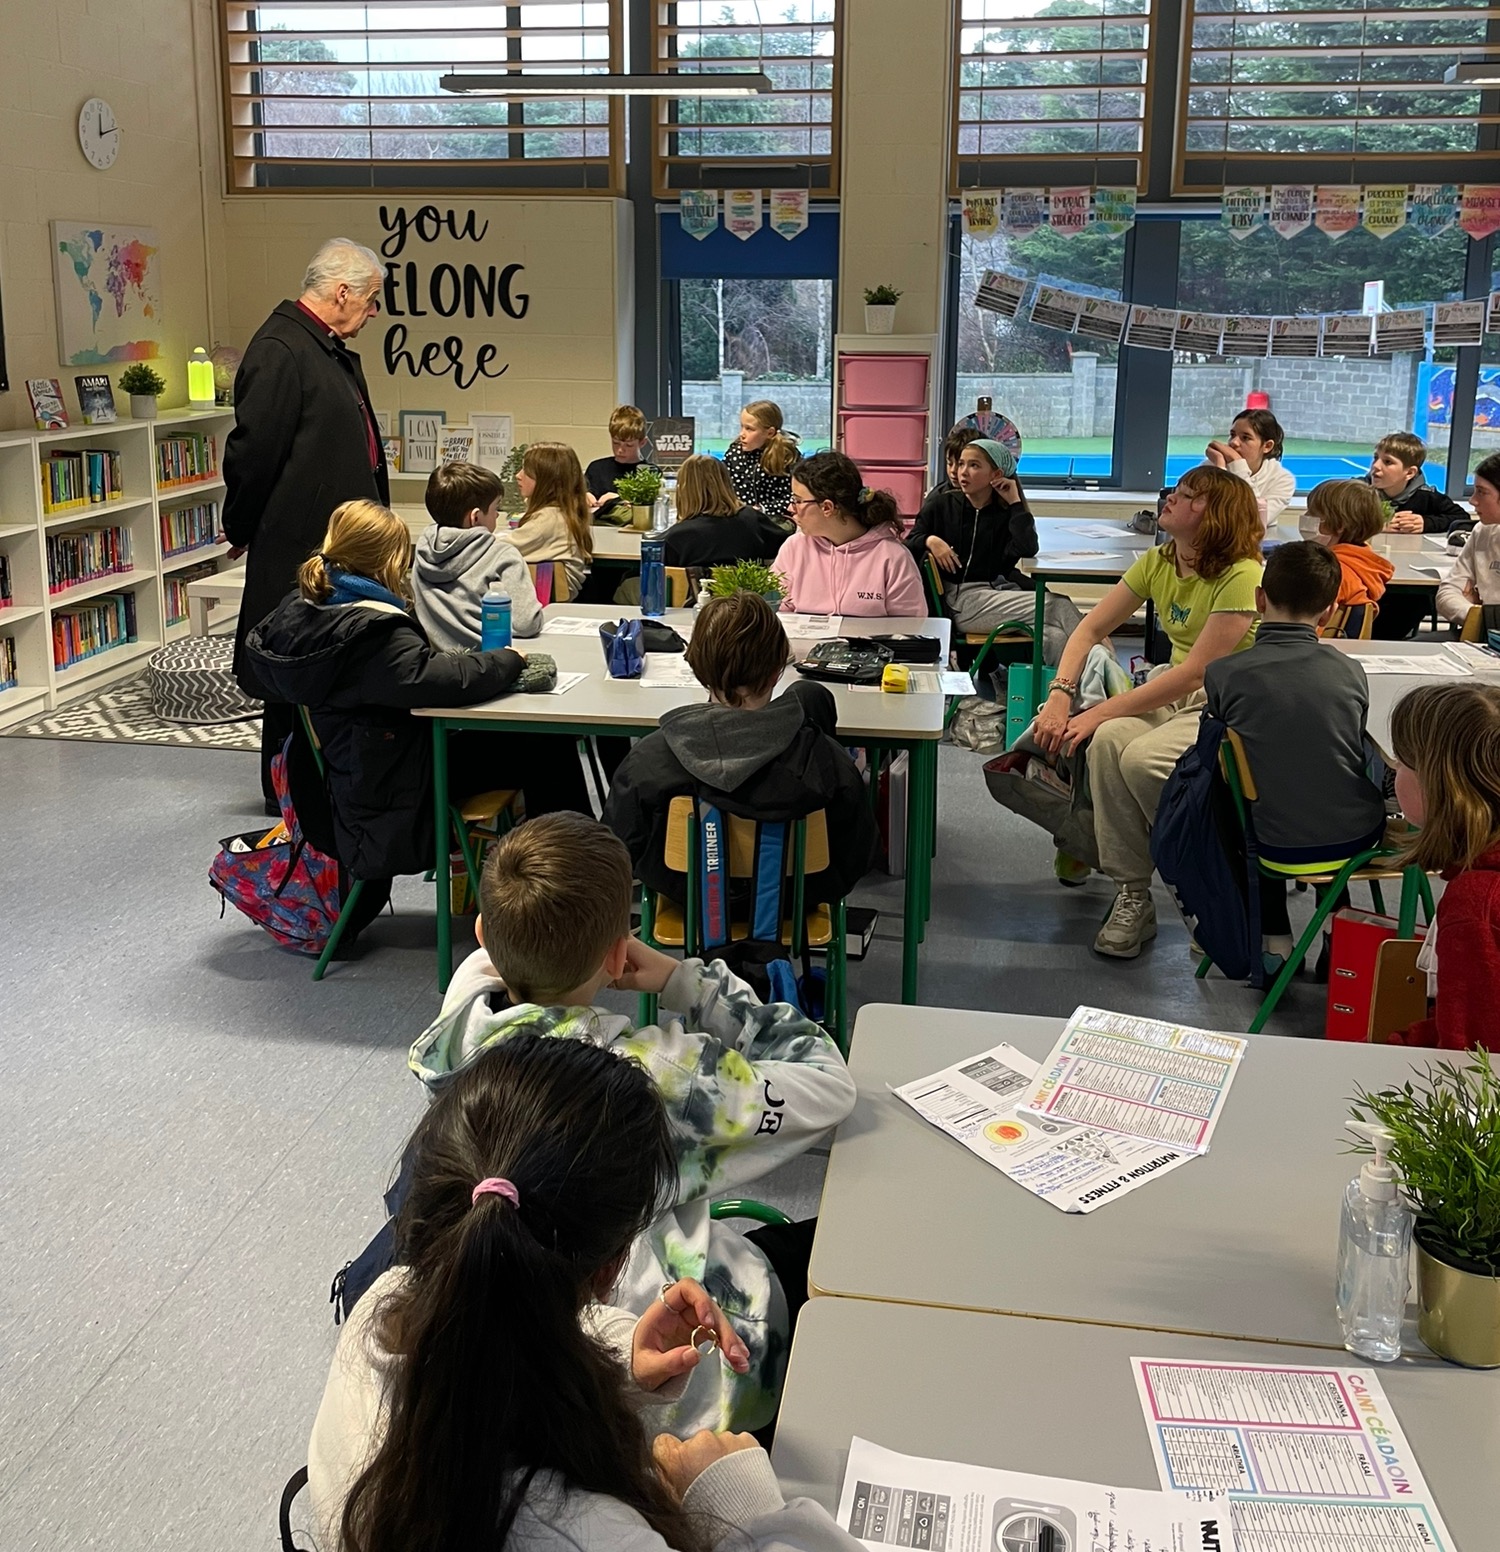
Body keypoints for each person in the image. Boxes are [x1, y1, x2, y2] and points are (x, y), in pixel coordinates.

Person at [309, 1032, 864, 1552]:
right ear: (614, 1265)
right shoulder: (596, 1535)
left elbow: (495, 1332)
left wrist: (621, 1362)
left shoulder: (379, 1316)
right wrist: (748, 1512)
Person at [408, 812, 856, 1437]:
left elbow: (495, 962)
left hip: (526, 1337)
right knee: (851, 1256)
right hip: (675, 1356)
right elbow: (831, 1085)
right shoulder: (656, 1079)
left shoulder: (462, 1022)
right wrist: (685, 982)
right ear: (619, 953)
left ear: (484, 934)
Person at [245, 500, 590, 890]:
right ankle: (576, 877)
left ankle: (566, 870)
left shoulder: (307, 607)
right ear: (388, 560)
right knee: (545, 745)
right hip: (395, 784)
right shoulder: (372, 632)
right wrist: (507, 661)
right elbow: (436, 679)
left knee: (534, 745)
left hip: (360, 768)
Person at [1034, 466, 1262, 958]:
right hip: (1171, 692)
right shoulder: (1160, 559)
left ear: (1214, 515)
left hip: (1225, 705)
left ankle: (1206, 883)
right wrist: (1060, 694)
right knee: (1105, 745)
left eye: (1185, 495)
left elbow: (1198, 673)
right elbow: (1087, 630)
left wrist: (1095, 711)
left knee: (1137, 758)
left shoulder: (1243, 575)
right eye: (1175, 492)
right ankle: (1134, 892)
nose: (1170, 500)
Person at [222, 237, 389, 811]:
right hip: (298, 544)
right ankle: (289, 797)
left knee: (325, 668)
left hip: (331, 544)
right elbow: (253, 452)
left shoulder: (323, 345)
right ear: (342, 293)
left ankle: (323, 784)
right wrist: (240, 525)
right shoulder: (280, 348)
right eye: (371, 302)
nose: (373, 314)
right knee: (291, 669)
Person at [603, 592, 877, 912]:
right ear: (778, 670)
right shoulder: (829, 763)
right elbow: (859, 855)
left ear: (697, 669)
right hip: (795, 900)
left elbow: (615, 853)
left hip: (689, 899)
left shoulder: (647, 762)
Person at [1203, 542, 1386, 965]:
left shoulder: (1222, 674)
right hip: (1357, 837)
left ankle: (1275, 941)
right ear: (1328, 612)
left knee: (1252, 804)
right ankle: (1336, 925)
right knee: (1333, 785)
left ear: (1259, 599)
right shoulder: (1350, 670)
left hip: (1271, 843)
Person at [1389, 683, 1500, 1052]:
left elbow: (1472, 1063)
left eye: (1403, 761)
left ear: (1439, 784)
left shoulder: (1476, 906)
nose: (1394, 771)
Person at [907, 438, 1081, 660]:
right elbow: (908, 544)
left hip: (995, 594)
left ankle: (1065, 692)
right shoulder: (941, 505)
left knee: (1055, 637)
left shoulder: (1003, 513)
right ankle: (1109, 675)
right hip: (960, 602)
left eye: (974, 465)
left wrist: (1015, 502)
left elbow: (1027, 548)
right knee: (1058, 605)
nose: (963, 472)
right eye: (961, 464)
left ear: (996, 475)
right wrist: (930, 540)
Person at [777, 450, 925, 617]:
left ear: (827, 507)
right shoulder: (793, 548)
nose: (791, 508)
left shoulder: (892, 557)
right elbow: (774, 611)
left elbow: (910, 627)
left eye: (797, 501)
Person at [411, 461, 542, 650]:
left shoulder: (423, 554)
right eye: (496, 507)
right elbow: (527, 623)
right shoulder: (503, 556)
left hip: (437, 666)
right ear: (475, 517)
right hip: (489, 664)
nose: (497, 515)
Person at [662, 455, 788, 570]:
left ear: (684, 489)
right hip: (749, 594)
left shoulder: (676, 536)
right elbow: (787, 548)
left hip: (694, 594)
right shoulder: (752, 519)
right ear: (726, 483)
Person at [1306, 478, 1392, 636]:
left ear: (1339, 526)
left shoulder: (1332, 572)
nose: (1306, 517)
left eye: (1313, 514)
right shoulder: (1362, 563)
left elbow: (1305, 628)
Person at [510, 441, 594, 598]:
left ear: (546, 482)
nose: (518, 476)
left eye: (526, 471)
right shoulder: (564, 510)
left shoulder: (547, 520)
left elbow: (499, 547)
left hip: (550, 598)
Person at [1204, 408, 1295, 530]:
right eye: (1232, 435)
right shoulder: (1212, 465)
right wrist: (1220, 468)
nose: (1234, 443)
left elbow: (1255, 521)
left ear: (1267, 446)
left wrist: (1238, 464)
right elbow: (1205, 516)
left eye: (1245, 438)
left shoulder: (1283, 480)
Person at [1437, 453, 1500, 628]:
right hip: (1480, 635)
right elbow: (1447, 593)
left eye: (1482, 492)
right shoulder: (1483, 531)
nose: (1472, 500)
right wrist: (1477, 615)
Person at [1369, 431, 1470, 536]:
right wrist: (1376, 525)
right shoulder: (1358, 490)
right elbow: (1349, 518)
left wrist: (1427, 523)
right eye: (1376, 458)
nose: (1375, 465)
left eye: (1388, 462)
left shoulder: (1427, 496)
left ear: (1409, 473)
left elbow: (1462, 518)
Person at [723, 400, 799, 517]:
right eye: (742, 427)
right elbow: (725, 487)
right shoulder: (735, 453)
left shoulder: (786, 457)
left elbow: (793, 498)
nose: (742, 434)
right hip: (739, 516)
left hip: (774, 519)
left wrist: (761, 509)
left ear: (770, 433)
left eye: (749, 429)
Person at [585, 404, 662, 513]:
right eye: (616, 443)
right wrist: (583, 497)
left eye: (629, 445)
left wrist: (618, 500)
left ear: (642, 443)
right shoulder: (596, 469)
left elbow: (651, 510)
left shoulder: (650, 473)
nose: (620, 450)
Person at [922, 424, 983, 502]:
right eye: (949, 463)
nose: (953, 470)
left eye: (960, 464)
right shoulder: (938, 498)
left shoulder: (998, 496)